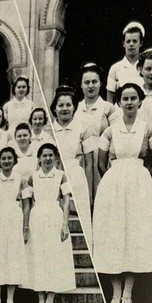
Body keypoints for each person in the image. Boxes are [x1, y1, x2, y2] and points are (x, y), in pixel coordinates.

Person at [93, 83, 152, 303]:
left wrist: (140, 178)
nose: (129, 102)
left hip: (139, 186)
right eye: (125, 98)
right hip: (113, 186)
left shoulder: (148, 129)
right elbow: (101, 163)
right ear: (119, 102)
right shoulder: (110, 131)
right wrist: (115, 179)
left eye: (133, 98)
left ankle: (128, 294)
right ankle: (115, 294)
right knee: (114, 236)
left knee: (134, 236)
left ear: (140, 101)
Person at [26, 142, 76, 303]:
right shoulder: (33, 177)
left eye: (50, 155)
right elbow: (28, 201)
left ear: (55, 157)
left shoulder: (61, 175)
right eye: (44, 155)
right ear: (39, 158)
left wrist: (65, 224)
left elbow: (66, 200)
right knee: (38, 256)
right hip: (37, 217)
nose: (47, 158)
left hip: (55, 217)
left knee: (54, 257)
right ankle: (40, 299)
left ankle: (50, 300)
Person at [0, 146, 30, 303]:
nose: (6, 161)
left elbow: (26, 205)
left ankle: (10, 301)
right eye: (3, 158)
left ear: (14, 160)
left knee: (13, 258)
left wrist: (25, 228)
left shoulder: (22, 180)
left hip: (15, 220)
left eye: (9, 158)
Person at [49, 87, 92, 249]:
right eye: (60, 105)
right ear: (54, 108)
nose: (65, 108)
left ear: (74, 107)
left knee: (80, 221)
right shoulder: (49, 131)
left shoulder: (83, 129)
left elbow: (89, 163)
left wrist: (90, 189)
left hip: (77, 178)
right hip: (55, 177)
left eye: (68, 105)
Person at [73, 63, 115, 205]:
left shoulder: (108, 108)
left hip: (102, 159)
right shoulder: (75, 109)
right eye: (86, 82)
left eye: (94, 81)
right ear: (81, 85)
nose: (90, 86)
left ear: (101, 83)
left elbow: (115, 136)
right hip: (82, 161)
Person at [106, 21, 145, 102]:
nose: (131, 44)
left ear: (141, 43)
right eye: (128, 41)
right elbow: (110, 99)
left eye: (135, 41)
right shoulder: (115, 68)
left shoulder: (145, 66)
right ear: (123, 44)